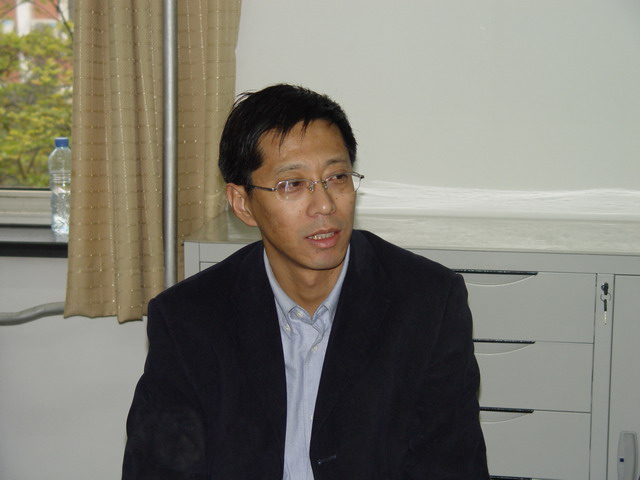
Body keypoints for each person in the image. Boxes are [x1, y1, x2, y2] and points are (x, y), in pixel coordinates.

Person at [123, 84, 489, 479]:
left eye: (337, 177)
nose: (325, 205)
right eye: (292, 184)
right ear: (243, 204)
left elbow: (452, 465)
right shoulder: (187, 319)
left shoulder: (428, 303)